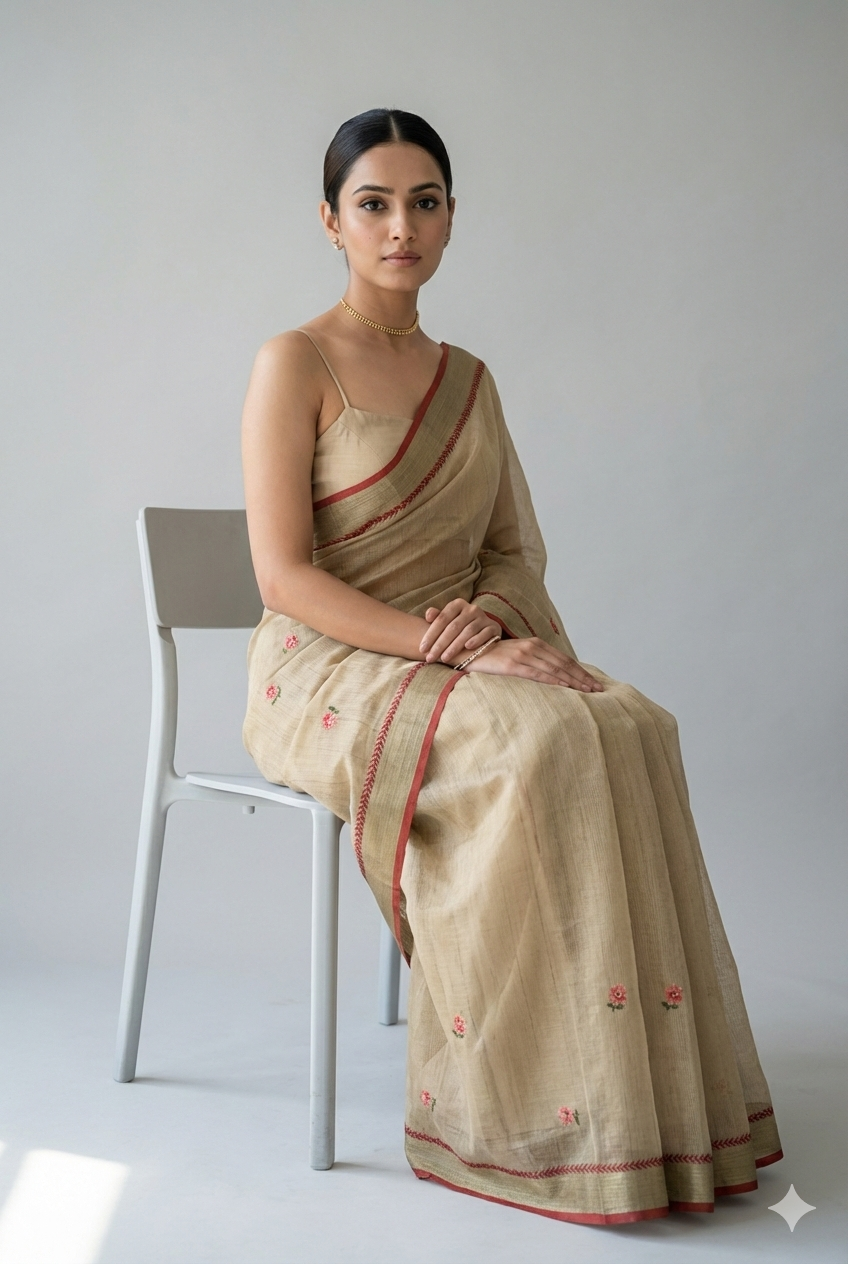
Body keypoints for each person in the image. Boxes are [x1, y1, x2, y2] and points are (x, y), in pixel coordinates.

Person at [240, 108, 782, 1225]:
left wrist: (487, 624)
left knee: (630, 722)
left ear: (450, 219)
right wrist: (440, 645)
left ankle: (639, 1105)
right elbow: (284, 576)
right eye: (374, 204)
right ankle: (527, 1107)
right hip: (330, 663)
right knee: (534, 745)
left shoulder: (469, 380)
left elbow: (510, 552)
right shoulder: (293, 360)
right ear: (331, 222)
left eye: (424, 203)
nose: (401, 227)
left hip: (456, 647)